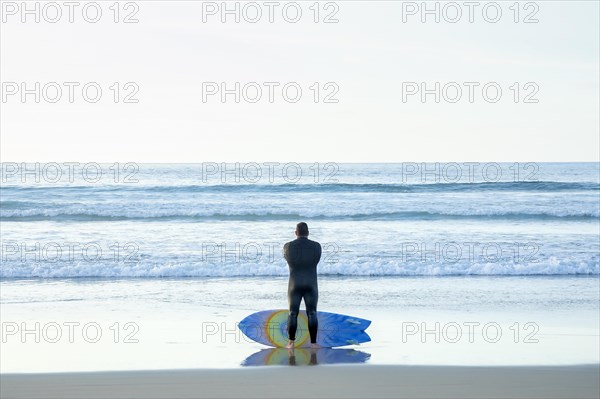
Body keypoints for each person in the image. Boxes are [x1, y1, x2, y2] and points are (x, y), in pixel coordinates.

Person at [283, 222, 322, 349]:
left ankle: (291, 343)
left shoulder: (287, 246)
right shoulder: (317, 246)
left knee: (293, 313)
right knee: (312, 313)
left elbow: (286, 257)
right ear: (308, 233)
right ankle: (314, 343)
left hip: (295, 284)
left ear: (296, 233)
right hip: (311, 284)